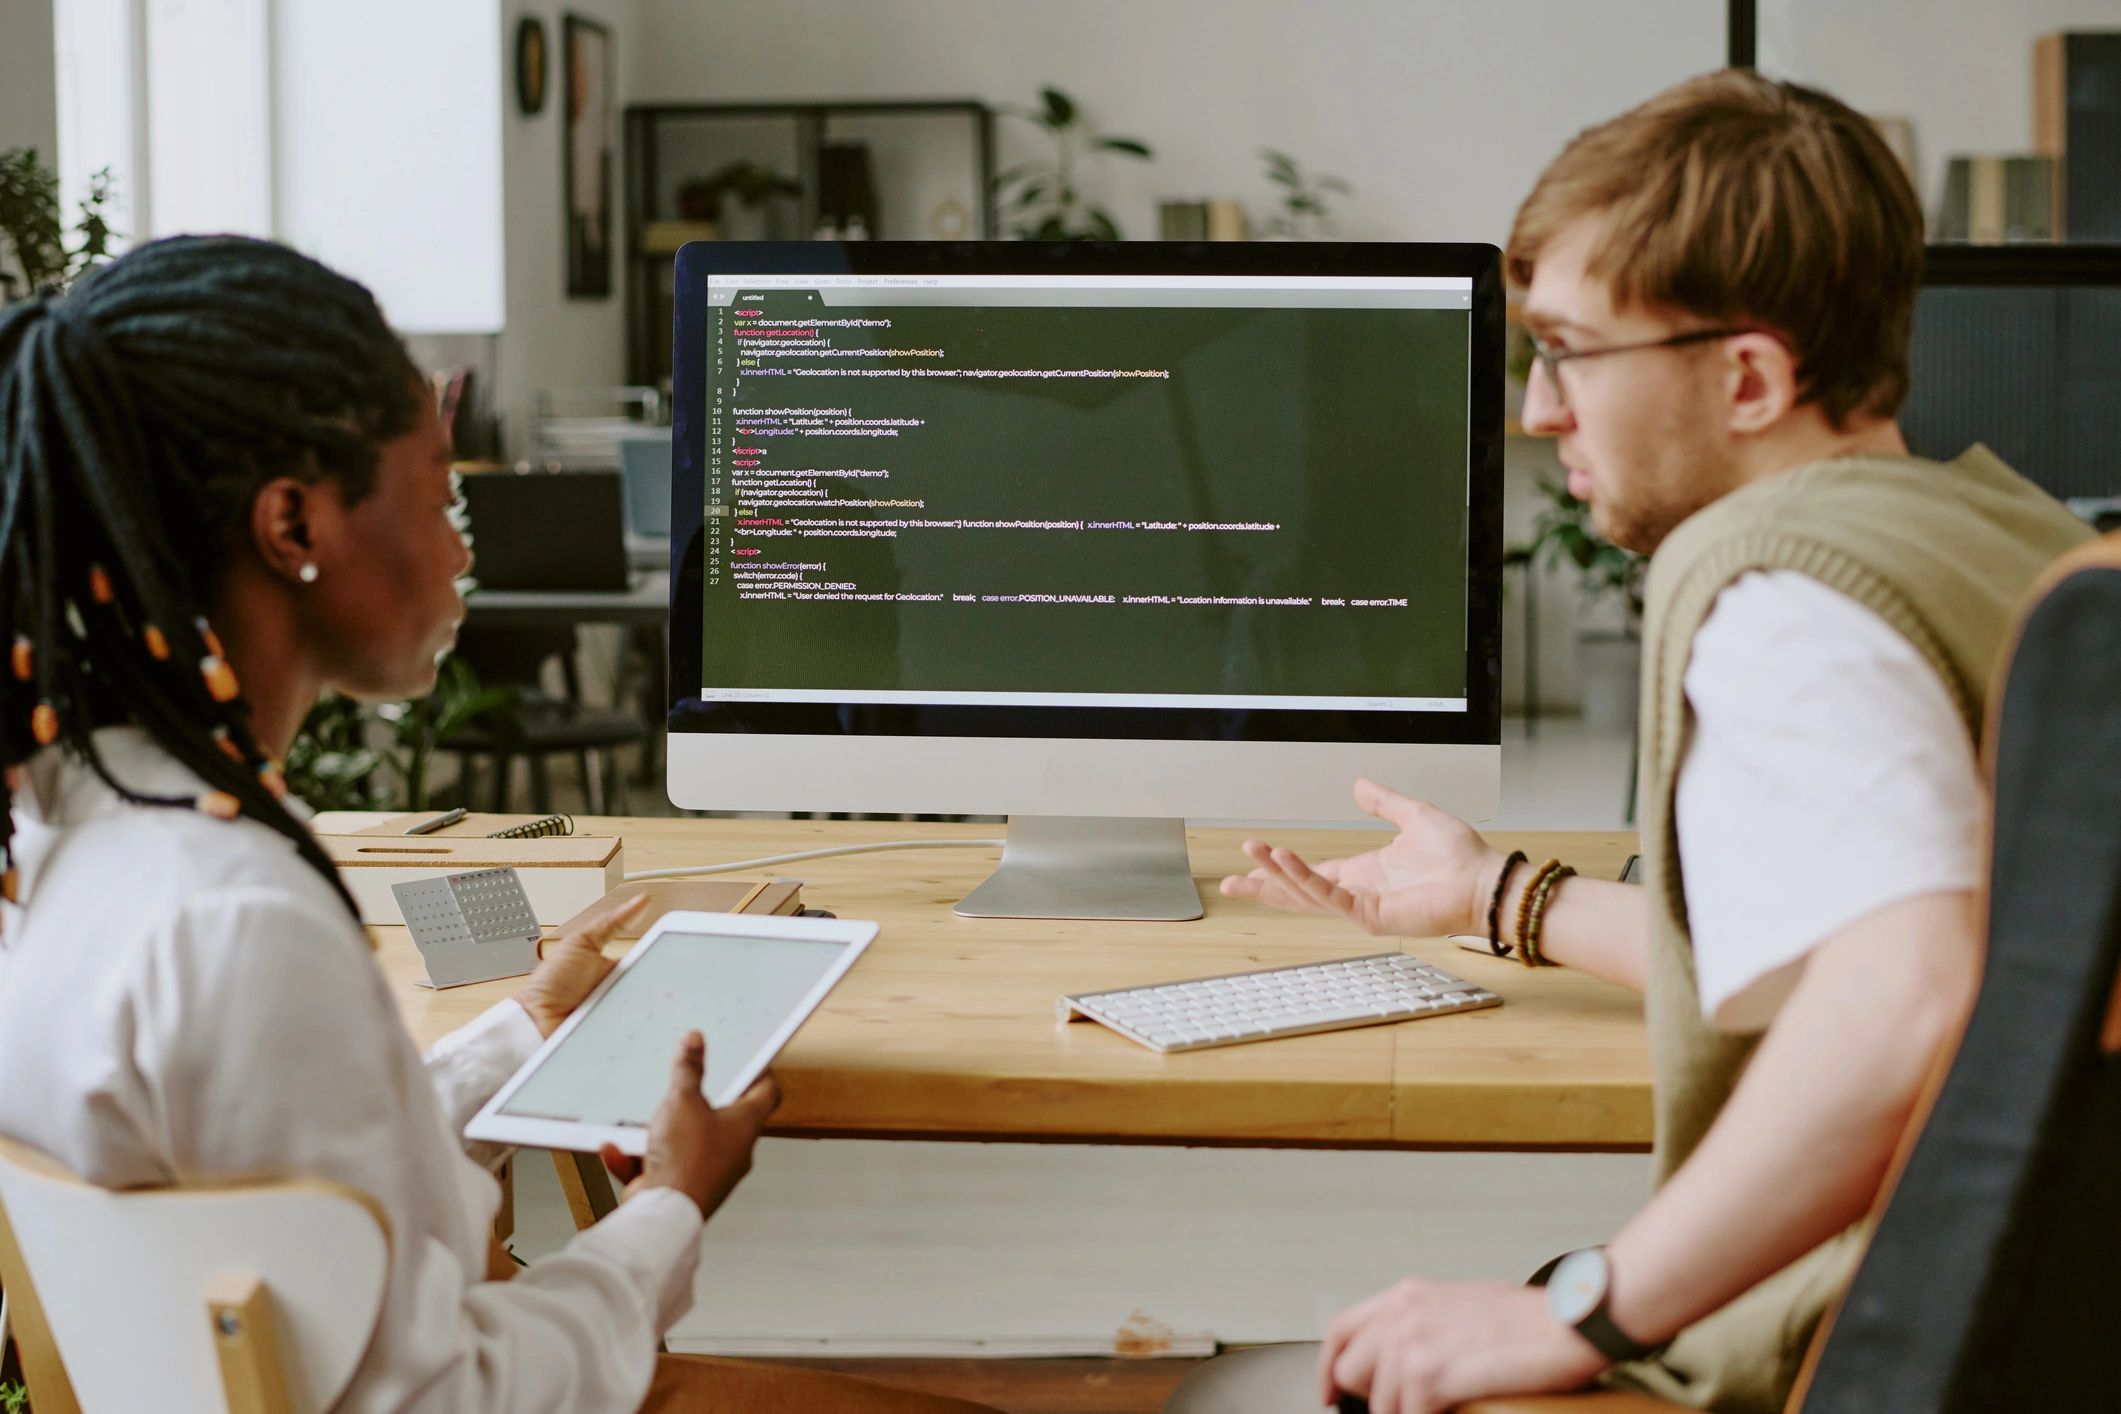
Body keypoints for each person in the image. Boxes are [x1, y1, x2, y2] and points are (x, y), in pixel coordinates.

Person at [1173, 70, 2094, 1414]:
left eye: (1571, 352)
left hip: (1819, 1345)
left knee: (1237, 1388)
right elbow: (1861, 933)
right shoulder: (2002, 528)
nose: (1542, 412)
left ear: (1748, 376)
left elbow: (1904, 993)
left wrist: (1582, 1311)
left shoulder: (1776, 591)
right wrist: (1496, 895)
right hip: (2028, 1331)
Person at [0, 235, 998, 1414]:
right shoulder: (242, 917)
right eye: (439, 491)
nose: (465, 548)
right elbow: (448, 1400)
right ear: (295, 525)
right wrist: (670, 1204)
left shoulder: (72, 842)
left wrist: (524, 1030)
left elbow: (303, 1199)